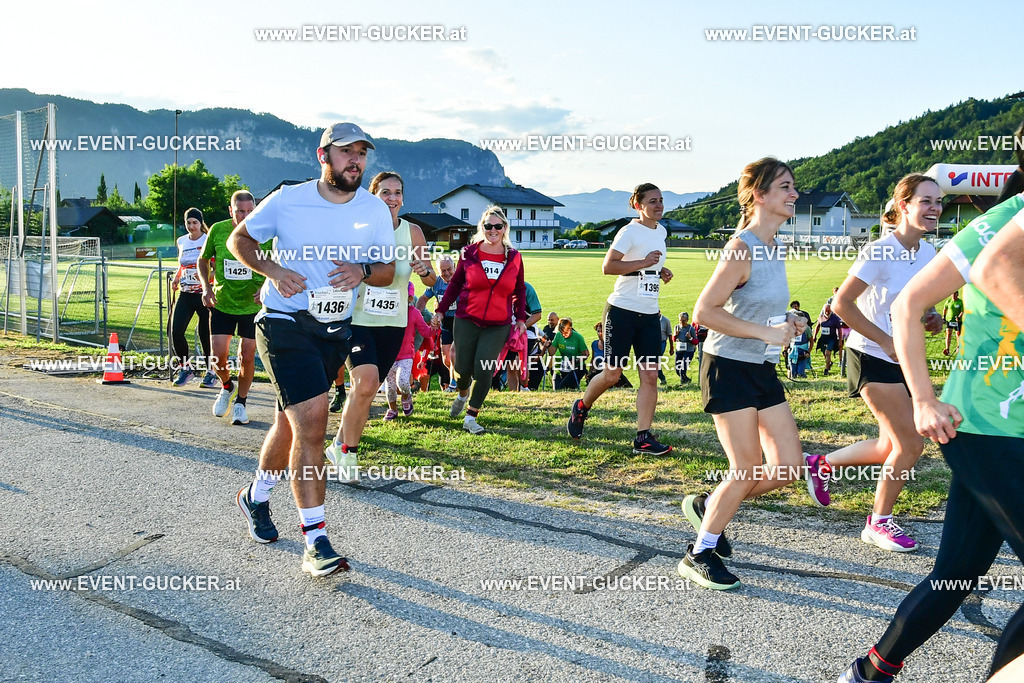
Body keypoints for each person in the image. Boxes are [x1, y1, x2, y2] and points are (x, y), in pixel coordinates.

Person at [837, 190, 1024, 683]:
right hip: (990, 426)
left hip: (998, 429)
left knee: (954, 576)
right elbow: (908, 304)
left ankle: (868, 675)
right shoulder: (1008, 219)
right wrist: (922, 398)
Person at [228, 122, 395, 577]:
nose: (355, 160)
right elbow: (238, 239)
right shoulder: (288, 199)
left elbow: (386, 269)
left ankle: (254, 498)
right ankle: (316, 540)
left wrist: (362, 270)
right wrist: (272, 270)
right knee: (315, 424)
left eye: (362, 153)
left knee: (292, 424)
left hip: (334, 330)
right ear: (323, 155)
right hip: (284, 324)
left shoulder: (374, 209)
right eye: (346, 152)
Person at [680, 157, 819, 590]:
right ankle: (699, 551)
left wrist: (791, 321)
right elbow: (705, 311)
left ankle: (711, 504)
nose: (794, 194)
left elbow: (760, 307)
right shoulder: (742, 248)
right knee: (745, 469)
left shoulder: (774, 245)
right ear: (759, 195)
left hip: (760, 367)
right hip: (727, 367)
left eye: (793, 186)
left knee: (788, 467)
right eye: (785, 187)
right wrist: (765, 331)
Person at [821, 174, 944, 553]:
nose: (935, 208)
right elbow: (841, 304)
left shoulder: (929, 253)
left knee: (889, 443)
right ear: (904, 205)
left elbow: (919, 302)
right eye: (926, 201)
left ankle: (821, 465)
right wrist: (885, 340)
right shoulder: (879, 251)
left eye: (938, 202)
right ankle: (878, 522)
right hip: (870, 355)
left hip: (904, 357)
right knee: (910, 442)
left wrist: (931, 316)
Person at [326, 171, 435, 477]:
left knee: (368, 388)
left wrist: (424, 269)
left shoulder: (412, 232)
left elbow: (431, 279)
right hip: (358, 318)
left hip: (394, 323)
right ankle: (349, 453)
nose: (392, 198)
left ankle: (338, 444)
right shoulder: (359, 229)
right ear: (372, 196)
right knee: (366, 381)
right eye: (385, 192)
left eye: (397, 192)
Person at [566, 183, 674, 454]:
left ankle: (643, 437)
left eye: (661, 200)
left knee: (649, 376)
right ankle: (582, 406)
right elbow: (609, 266)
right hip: (623, 311)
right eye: (652, 201)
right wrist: (645, 263)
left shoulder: (661, 230)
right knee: (613, 374)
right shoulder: (628, 231)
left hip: (650, 314)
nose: (658, 205)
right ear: (638, 205)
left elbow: (647, 262)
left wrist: (660, 271)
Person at [436, 207, 526, 433]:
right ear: (482, 228)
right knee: (463, 367)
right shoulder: (468, 252)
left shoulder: (514, 257)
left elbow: (519, 289)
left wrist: (521, 318)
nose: (493, 230)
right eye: (488, 226)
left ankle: (471, 417)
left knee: (484, 368)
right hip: (467, 319)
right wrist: (440, 310)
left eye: (498, 226)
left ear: (505, 228)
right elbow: (455, 284)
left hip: (498, 325)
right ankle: (463, 392)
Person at [197, 190, 265, 424]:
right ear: (230, 211)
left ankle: (241, 403)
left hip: (252, 305)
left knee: (247, 356)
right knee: (218, 357)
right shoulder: (218, 229)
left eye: (249, 211)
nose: (245, 216)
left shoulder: (266, 233)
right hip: (222, 302)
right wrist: (206, 287)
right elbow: (203, 259)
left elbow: (279, 263)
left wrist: (266, 287)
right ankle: (227, 386)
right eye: (239, 212)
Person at [169, 207, 211, 386]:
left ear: (201, 223)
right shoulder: (182, 241)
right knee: (176, 331)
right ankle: (186, 368)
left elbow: (217, 267)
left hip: (204, 294)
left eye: (195, 222)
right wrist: (177, 278)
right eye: (188, 222)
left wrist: (206, 277)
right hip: (186, 293)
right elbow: (182, 263)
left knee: (205, 335)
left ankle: (211, 371)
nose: (191, 226)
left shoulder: (208, 239)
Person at [383, 282, 434, 420]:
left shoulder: (414, 313)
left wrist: (434, 327)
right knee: (390, 388)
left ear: (410, 299)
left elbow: (425, 331)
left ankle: (406, 397)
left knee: (403, 382)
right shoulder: (388, 310)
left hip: (406, 355)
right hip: (389, 356)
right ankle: (392, 409)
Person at [418, 256, 457, 390]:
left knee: (454, 354)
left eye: (449, 269)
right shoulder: (435, 282)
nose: (446, 273)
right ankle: (458, 381)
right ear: (437, 270)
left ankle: (455, 384)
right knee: (446, 359)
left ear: (455, 266)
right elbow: (423, 299)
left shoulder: (462, 280)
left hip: (461, 321)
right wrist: (416, 315)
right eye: (443, 271)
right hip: (445, 321)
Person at [505, 281, 543, 391]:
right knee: (511, 364)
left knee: (519, 362)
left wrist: (523, 326)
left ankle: (524, 386)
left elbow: (537, 314)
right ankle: (513, 393)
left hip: (527, 333)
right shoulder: (503, 286)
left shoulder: (527, 289)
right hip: (509, 332)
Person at [548, 317, 589, 390]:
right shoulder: (558, 335)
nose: (564, 335)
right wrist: (548, 345)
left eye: (566, 332)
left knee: (563, 387)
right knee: (557, 389)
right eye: (561, 332)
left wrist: (575, 361)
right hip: (564, 367)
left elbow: (586, 355)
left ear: (570, 328)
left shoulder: (578, 337)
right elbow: (551, 352)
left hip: (578, 367)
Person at [812, 305, 842, 375]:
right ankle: (829, 363)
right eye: (826, 310)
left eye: (829, 310)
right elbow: (817, 326)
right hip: (823, 338)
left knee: (828, 353)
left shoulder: (835, 318)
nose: (827, 312)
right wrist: (814, 336)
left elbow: (839, 329)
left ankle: (826, 369)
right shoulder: (821, 317)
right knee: (824, 353)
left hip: (831, 338)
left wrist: (840, 340)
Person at [672, 312, 697, 384]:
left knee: (682, 368)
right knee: (677, 369)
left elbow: (696, 341)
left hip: (689, 350)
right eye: (680, 320)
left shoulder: (691, 329)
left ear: (687, 320)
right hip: (679, 350)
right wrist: (675, 335)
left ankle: (683, 383)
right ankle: (686, 379)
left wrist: (690, 338)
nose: (681, 322)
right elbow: (674, 340)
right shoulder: (677, 327)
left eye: (683, 321)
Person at [941, 289, 963, 356]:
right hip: (949, 320)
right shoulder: (948, 301)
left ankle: (958, 347)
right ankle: (947, 349)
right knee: (948, 334)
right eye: (952, 294)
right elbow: (945, 309)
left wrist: (959, 317)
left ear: (957, 294)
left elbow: (962, 311)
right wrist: (944, 317)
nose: (953, 296)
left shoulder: (960, 302)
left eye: (955, 294)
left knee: (958, 335)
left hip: (957, 321)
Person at [658, 311, 672, 385]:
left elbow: (670, 335)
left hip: (662, 342)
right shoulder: (652, 320)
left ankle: (662, 378)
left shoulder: (666, 321)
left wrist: (671, 347)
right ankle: (661, 378)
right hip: (653, 343)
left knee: (656, 360)